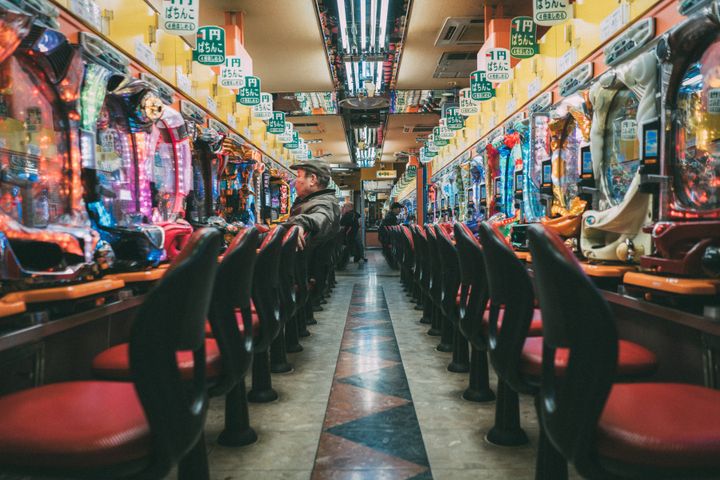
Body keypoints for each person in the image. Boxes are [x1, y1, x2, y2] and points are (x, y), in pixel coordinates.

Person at [283, 160, 341, 250]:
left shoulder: (325, 204)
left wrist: (300, 222)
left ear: (312, 180)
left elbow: (320, 218)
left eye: (298, 176)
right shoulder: (311, 201)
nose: (295, 181)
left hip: (309, 263)